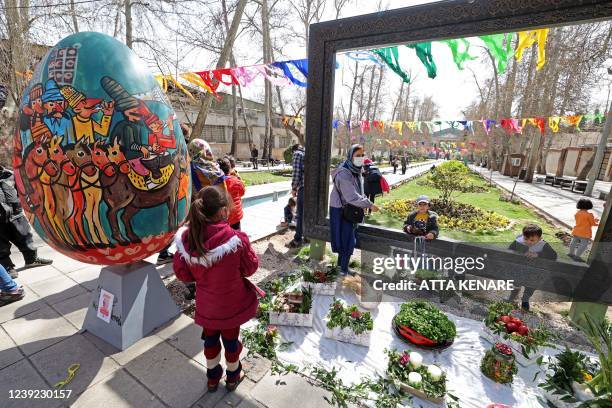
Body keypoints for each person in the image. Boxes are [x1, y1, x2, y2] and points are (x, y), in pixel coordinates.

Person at [173, 186, 260, 392]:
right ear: (222, 211)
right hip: (231, 306)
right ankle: (233, 376)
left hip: (207, 307)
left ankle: (212, 378)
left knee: (210, 341)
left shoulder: (188, 240)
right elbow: (250, 268)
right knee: (231, 342)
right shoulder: (236, 239)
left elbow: (183, 274)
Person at [330, 144, 378, 275]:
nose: (361, 158)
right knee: (347, 240)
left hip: (350, 209)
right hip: (342, 209)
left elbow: (357, 192)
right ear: (350, 156)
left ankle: (341, 266)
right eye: (357, 156)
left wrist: (364, 203)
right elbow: (351, 196)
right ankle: (343, 269)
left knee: (347, 239)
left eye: (362, 155)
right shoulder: (344, 173)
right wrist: (369, 204)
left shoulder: (355, 170)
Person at [0, 165, 52, 278]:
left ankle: (31, 259)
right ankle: (8, 267)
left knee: (25, 237)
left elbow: (22, 192)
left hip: (16, 214)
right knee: (1, 245)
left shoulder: (9, 174)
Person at [508, 224, 558, 311]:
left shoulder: (543, 245)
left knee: (531, 284)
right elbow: (510, 250)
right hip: (520, 270)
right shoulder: (519, 241)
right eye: (526, 239)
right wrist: (521, 252)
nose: (528, 242)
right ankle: (513, 296)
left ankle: (525, 299)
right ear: (523, 236)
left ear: (539, 238)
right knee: (516, 281)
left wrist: (538, 254)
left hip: (534, 272)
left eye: (532, 240)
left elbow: (553, 255)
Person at [287, 144, 308, 248]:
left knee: (300, 214)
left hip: (304, 188)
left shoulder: (297, 154)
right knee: (308, 214)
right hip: (313, 189)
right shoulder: (306, 153)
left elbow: (296, 172)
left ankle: (297, 240)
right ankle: (308, 237)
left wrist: (294, 188)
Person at [218, 158, 245, 230]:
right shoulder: (236, 180)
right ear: (230, 168)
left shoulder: (216, 183)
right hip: (236, 216)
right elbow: (242, 192)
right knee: (237, 235)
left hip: (223, 217)